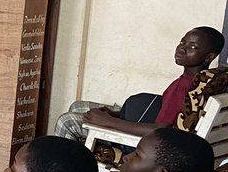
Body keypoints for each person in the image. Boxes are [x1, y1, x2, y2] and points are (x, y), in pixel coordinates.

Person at [55, 27, 224, 143]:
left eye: (192, 47)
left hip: (144, 144)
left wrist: (109, 121)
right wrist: (116, 114)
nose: (181, 49)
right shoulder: (205, 82)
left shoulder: (184, 86)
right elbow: (168, 113)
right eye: (182, 42)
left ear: (209, 57)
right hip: (148, 123)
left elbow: (161, 130)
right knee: (78, 106)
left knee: (67, 121)